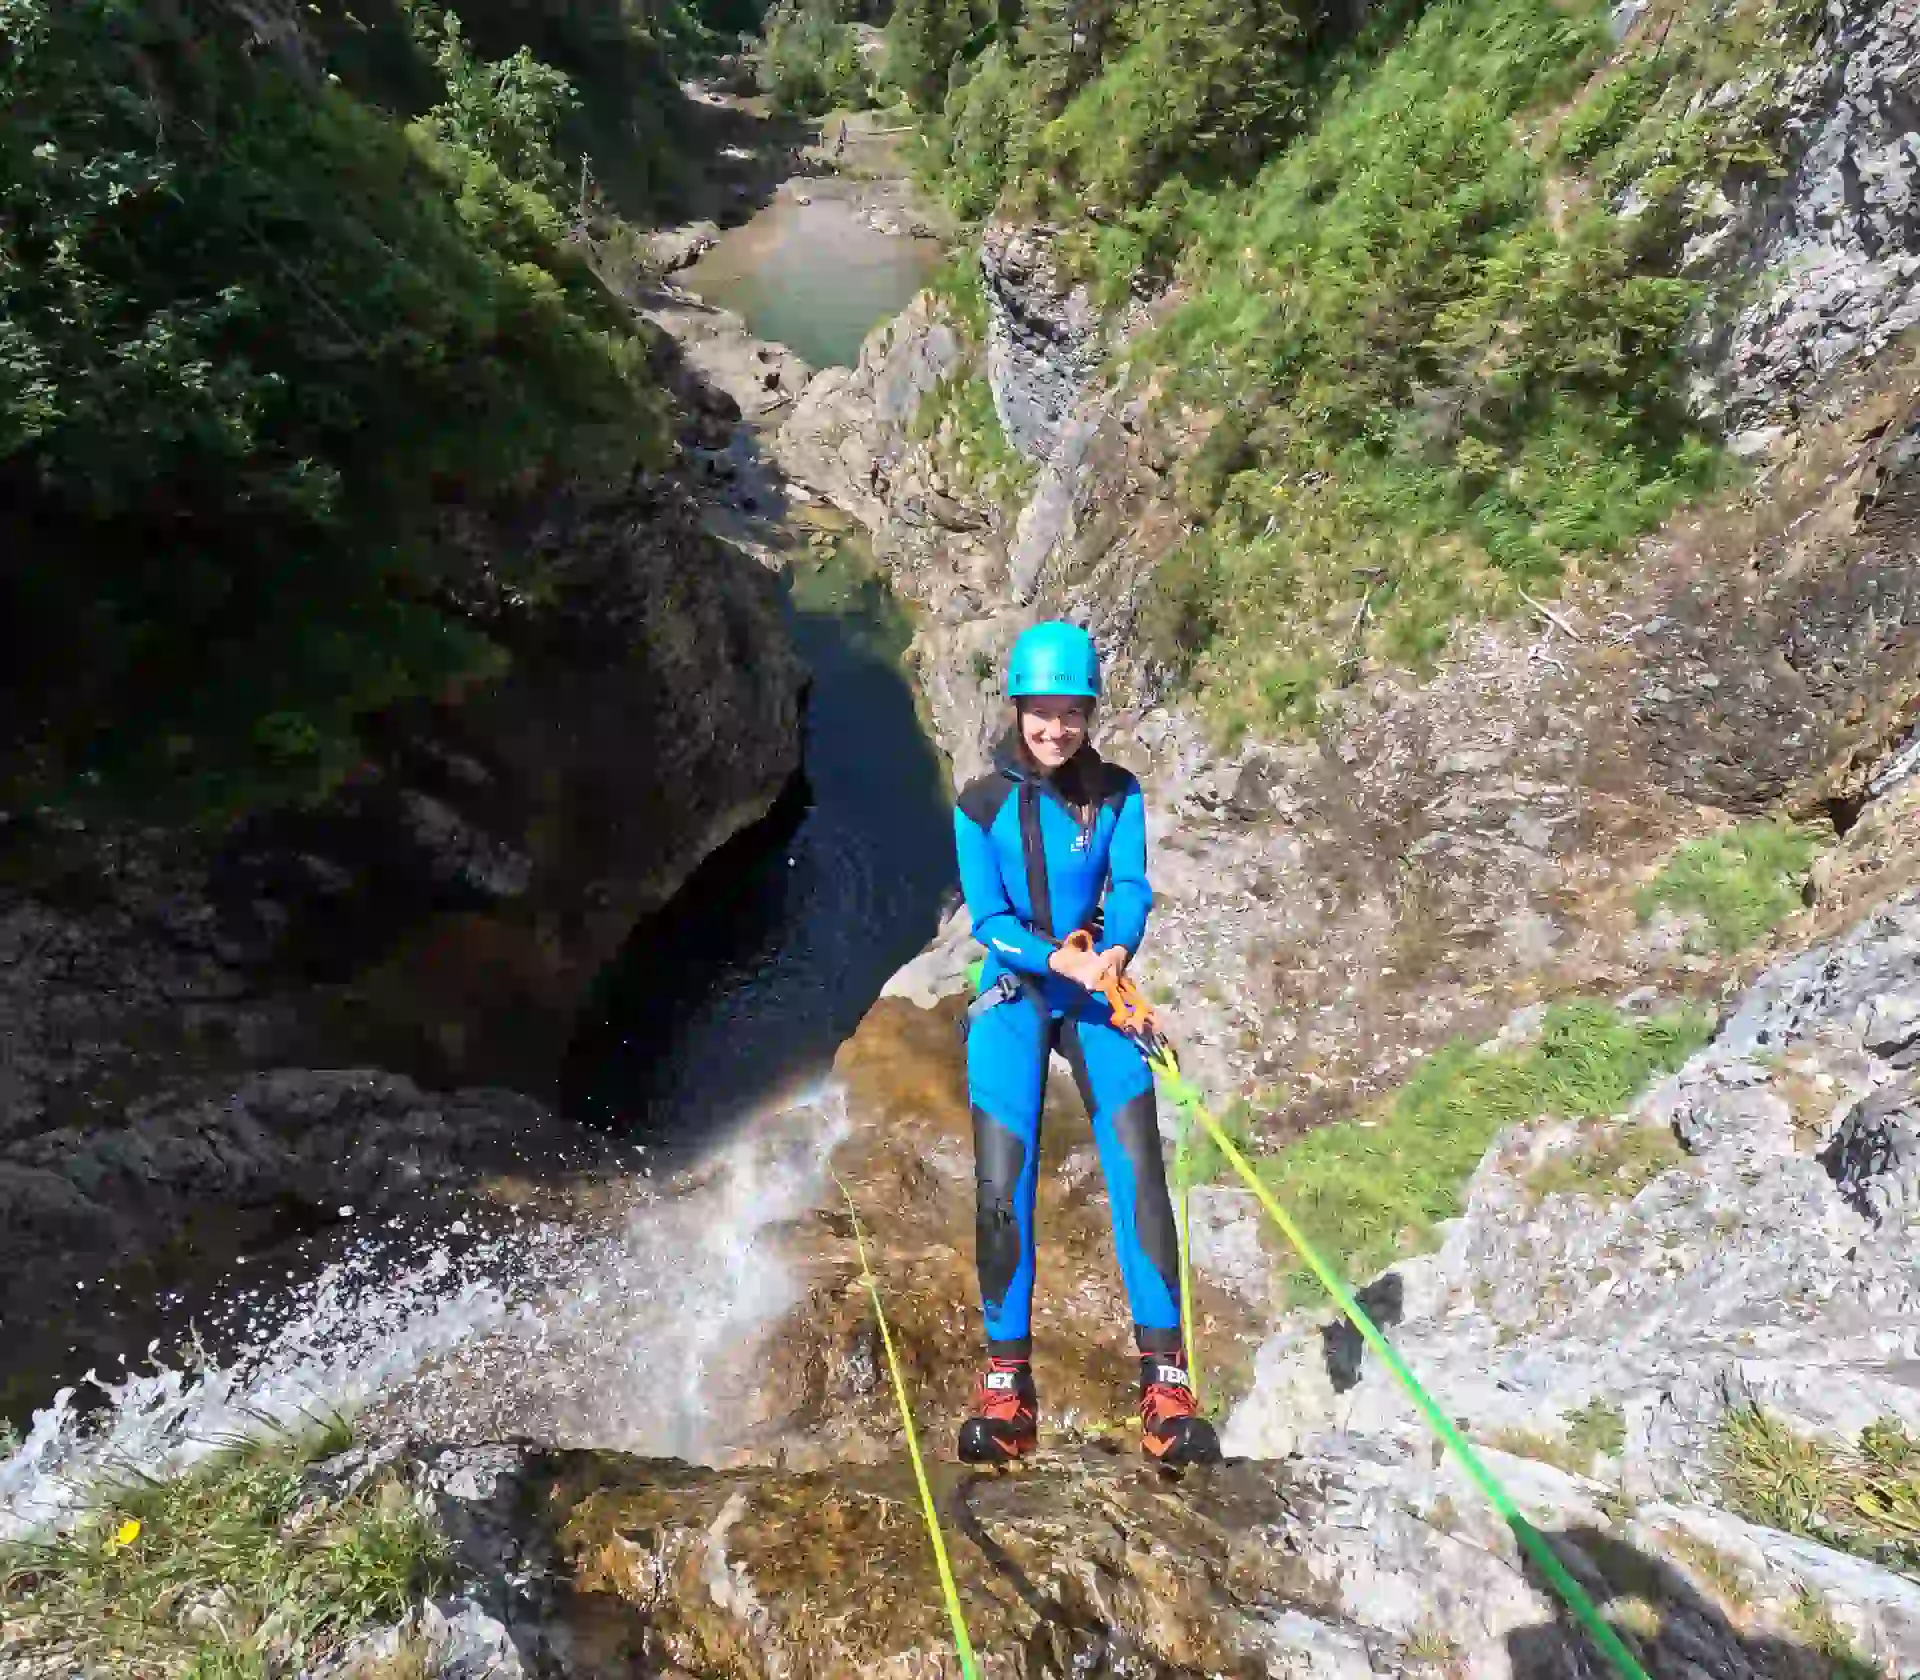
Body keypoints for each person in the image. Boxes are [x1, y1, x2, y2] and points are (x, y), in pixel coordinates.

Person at [952, 621, 1221, 1468]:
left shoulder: (1118, 793)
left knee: (1138, 1160)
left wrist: (1114, 950)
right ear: (1019, 707)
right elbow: (990, 920)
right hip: (1017, 985)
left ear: (1090, 712)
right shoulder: (979, 804)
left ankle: (1166, 1384)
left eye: (1072, 713)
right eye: (1043, 713)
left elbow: (1134, 883)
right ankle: (1006, 1390)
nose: (1056, 729)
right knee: (1004, 1178)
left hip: (1093, 980)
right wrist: (1055, 957)